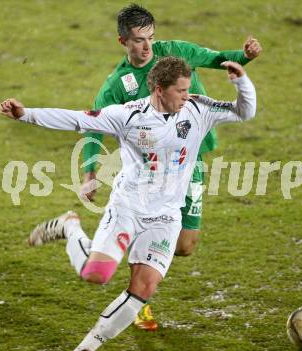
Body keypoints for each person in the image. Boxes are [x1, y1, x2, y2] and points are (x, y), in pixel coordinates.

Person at [0, 56, 256, 350]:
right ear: (159, 90)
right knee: (96, 275)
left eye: (188, 89)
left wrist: (241, 82)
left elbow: (244, 112)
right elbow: (77, 119)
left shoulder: (199, 108)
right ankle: (70, 227)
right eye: (181, 90)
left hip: (166, 217)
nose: (188, 95)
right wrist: (24, 114)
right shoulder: (128, 115)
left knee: (143, 287)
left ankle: (86, 347)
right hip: (128, 208)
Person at [79, 4, 261, 329]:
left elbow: (218, 58)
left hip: (189, 162)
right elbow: (94, 126)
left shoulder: (174, 53)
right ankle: (138, 298)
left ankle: (140, 276)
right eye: (138, 40)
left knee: (186, 246)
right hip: (150, 175)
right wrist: (90, 173)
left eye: (150, 37)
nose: (147, 46)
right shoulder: (117, 85)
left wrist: (244, 56)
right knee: (147, 227)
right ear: (123, 41)